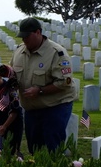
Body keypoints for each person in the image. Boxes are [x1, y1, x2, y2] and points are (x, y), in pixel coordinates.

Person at [11, 18, 75, 154]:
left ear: (38, 32)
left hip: (55, 106)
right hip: (31, 108)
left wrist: (39, 91)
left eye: (27, 36)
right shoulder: (19, 52)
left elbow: (64, 82)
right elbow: (12, 73)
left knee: (53, 145)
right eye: (22, 37)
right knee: (34, 147)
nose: (24, 40)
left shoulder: (56, 53)